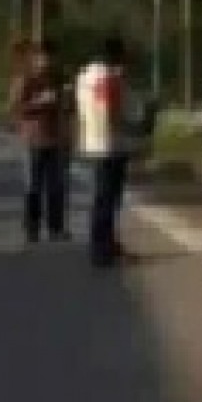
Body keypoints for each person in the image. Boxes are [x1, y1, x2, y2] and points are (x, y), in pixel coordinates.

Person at [74, 36, 143, 267]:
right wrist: (131, 127)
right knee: (107, 201)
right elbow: (111, 110)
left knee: (103, 199)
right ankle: (101, 250)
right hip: (111, 145)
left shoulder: (84, 76)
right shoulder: (108, 78)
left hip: (92, 142)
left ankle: (107, 245)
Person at [8, 38, 70, 245]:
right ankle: (31, 228)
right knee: (33, 186)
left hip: (55, 138)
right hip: (33, 139)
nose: (46, 61)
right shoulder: (24, 79)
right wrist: (38, 101)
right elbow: (16, 108)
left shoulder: (57, 78)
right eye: (41, 57)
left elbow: (65, 106)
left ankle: (56, 228)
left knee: (56, 186)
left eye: (49, 57)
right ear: (34, 58)